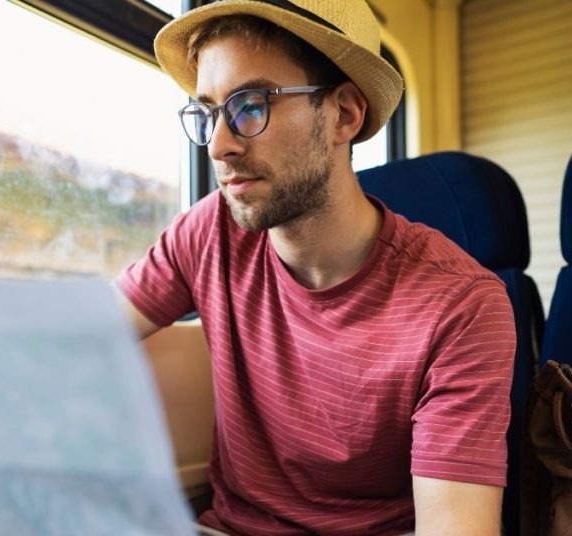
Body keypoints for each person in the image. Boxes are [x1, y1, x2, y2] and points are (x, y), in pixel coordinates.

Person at [115, 1, 515, 534]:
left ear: (344, 115)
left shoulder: (461, 305)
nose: (220, 145)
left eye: (250, 106)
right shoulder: (209, 232)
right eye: (208, 112)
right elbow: (89, 329)